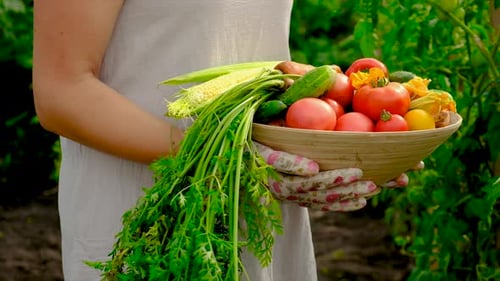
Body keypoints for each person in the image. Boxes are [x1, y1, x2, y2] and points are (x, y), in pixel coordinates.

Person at [32, 1, 413, 280]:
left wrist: (341, 124)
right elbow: (61, 92)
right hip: (149, 211)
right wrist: (230, 156)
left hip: (256, 200)